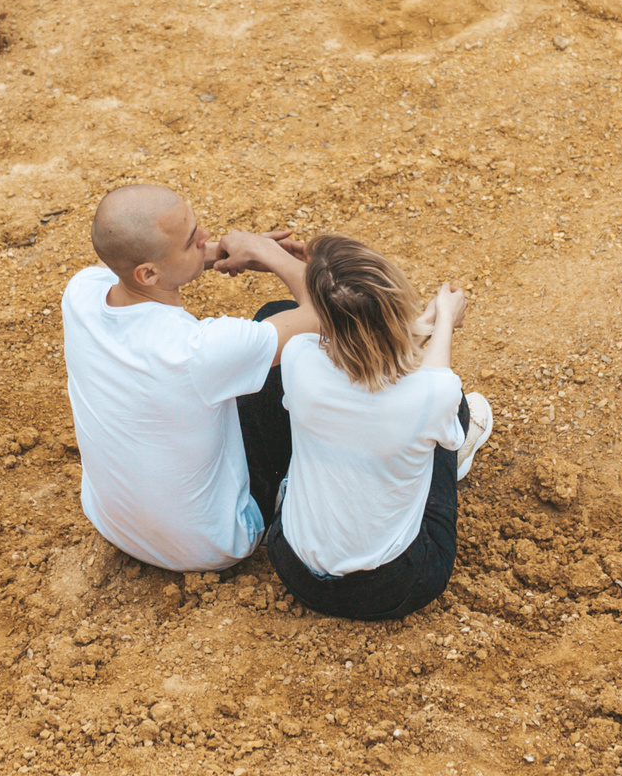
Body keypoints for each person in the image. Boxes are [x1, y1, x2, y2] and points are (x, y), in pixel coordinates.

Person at [60, 184, 319, 573]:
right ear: (149, 273)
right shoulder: (196, 349)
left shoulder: (80, 293)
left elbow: (120, 257)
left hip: (114, 524)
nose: (206, 237)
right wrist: (267, 253)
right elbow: (324, 311)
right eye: (191, 240)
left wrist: (214, 254)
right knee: (285, 327)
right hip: (216, 542)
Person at [265, 234, 494, 622]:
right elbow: (437, 380)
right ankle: (458, 450)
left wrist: (426, 324)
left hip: (294, 569)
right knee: (453, 411)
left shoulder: (299, 357)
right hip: (392, 587)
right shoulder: (433, 393)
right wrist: (444, 321)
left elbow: (364, 348)